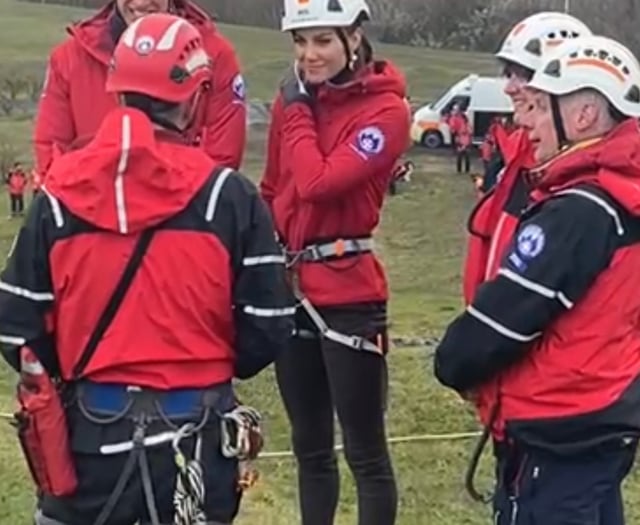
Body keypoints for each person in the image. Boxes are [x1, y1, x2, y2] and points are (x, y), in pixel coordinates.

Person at [0, 13, 293, 525]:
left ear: (117, 92)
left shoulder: (59, 196)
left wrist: (74, 372)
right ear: (196, 96)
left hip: (90, 440)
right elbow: (269, 322)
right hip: (196, 439)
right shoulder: (227, 197)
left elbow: (16, 326)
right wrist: (210, 364)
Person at [435, 35, 640, 525]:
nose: (525, 120)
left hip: (558, 430)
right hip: (603, 422)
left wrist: (453, 364)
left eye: (541, 107)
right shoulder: (622, 193)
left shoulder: (580, 210)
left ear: (585, 115)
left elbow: (501, 320)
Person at [259, 1, 410, 523]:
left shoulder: (386, 112)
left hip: (348, 291)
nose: (308, 55)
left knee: (365, 451)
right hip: (291, 284)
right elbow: (276, 186)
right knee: (309, 447)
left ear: (353, 39)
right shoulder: (293, 101)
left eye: (321, 40)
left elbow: (317, 184)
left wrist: (298, 111)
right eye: (299, 42)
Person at [33, 0, 246, 179]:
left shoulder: (213, 56)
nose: (142, 2)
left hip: (185, 218)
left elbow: (222, 162)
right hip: (90, 218)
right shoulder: (70, 60)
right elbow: (52, 159)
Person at [463, 11, 593, 305]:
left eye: (523, 74)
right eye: (508, 73)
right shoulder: (516, 153)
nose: (509, 87)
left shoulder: (582, 172)